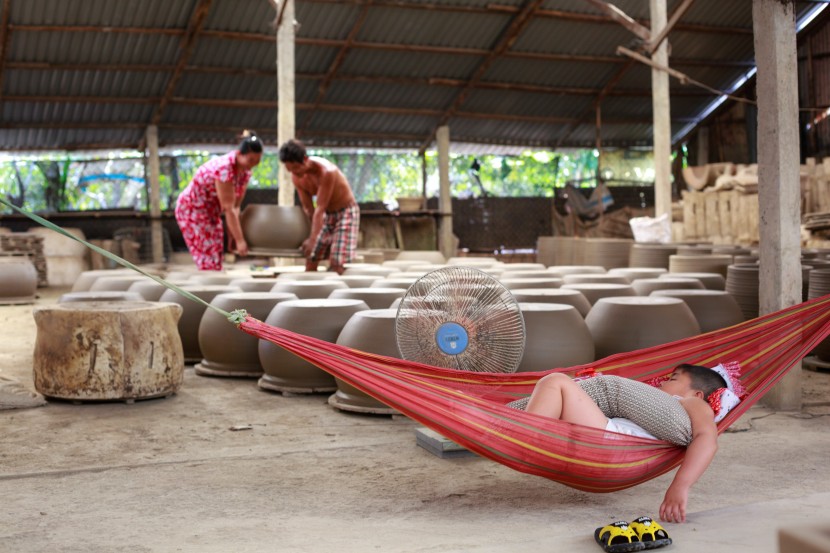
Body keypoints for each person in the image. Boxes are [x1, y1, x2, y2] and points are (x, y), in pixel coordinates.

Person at [523, 364, 732, 524]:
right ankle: (519, 431)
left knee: (556, 381)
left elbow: (706, 439)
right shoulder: (651, 407)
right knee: (554, 396)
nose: (661, 383)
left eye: (672, 378)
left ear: (697, 394)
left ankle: (523, 438)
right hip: (603, 436)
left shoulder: (692, 403)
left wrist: (681, 486)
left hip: (608, 439)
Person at [175, 131, 263, 270]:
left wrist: (233, 235)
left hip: (212, 213)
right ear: (240, 154)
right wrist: (240, 241)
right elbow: (229, 208)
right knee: (207, 256)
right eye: (250, 160)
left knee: (216, 254)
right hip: (192, 211)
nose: (252, 165)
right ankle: (205, 286)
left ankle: (210, 280)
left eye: (257, 162)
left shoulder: (245, 173)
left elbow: (236, 207)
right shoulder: (224, 169)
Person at [278, 139, 359, 275]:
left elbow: (319, 208)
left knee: (337, 261)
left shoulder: (326, 172)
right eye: (290, 170)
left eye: (296, 168)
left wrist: (313, 239)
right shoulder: (296, 177)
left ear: (305, 159)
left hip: (346, 211)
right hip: (327, 214)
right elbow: (309, 209)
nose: (295, 173)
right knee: (312, 257)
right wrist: (311, 238)